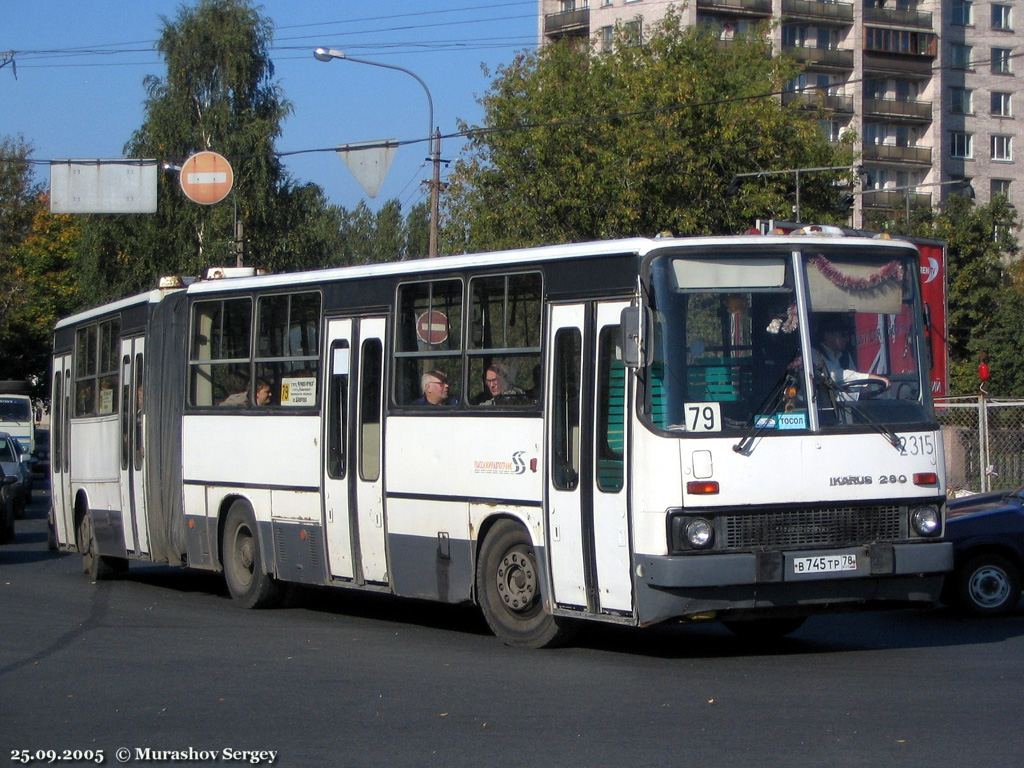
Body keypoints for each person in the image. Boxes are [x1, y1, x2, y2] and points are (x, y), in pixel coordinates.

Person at [814, 315, 889, 396]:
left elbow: (855, 387)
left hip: (846, 404)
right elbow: (834, 375)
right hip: (823, 405)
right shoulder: (813, 354)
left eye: (848, 335)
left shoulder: (845, 356)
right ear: (827, 335)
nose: (847, 339)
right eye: (843, 335)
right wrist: (870, 378)